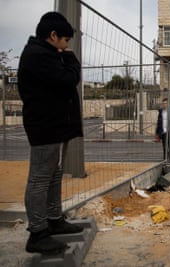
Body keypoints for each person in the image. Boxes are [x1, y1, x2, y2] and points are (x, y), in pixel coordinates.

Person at [18, 12, 84, 254]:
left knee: (54, 174)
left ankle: (54, 220)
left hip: (55, 125)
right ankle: (37, 233)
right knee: (39, 178)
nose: (66, 46)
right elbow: (68, 79)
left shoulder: (46, 53)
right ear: (53, 35)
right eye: (65, 40)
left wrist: (64, 56)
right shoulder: (38, 56)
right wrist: (71, 58)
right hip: (45, 125)